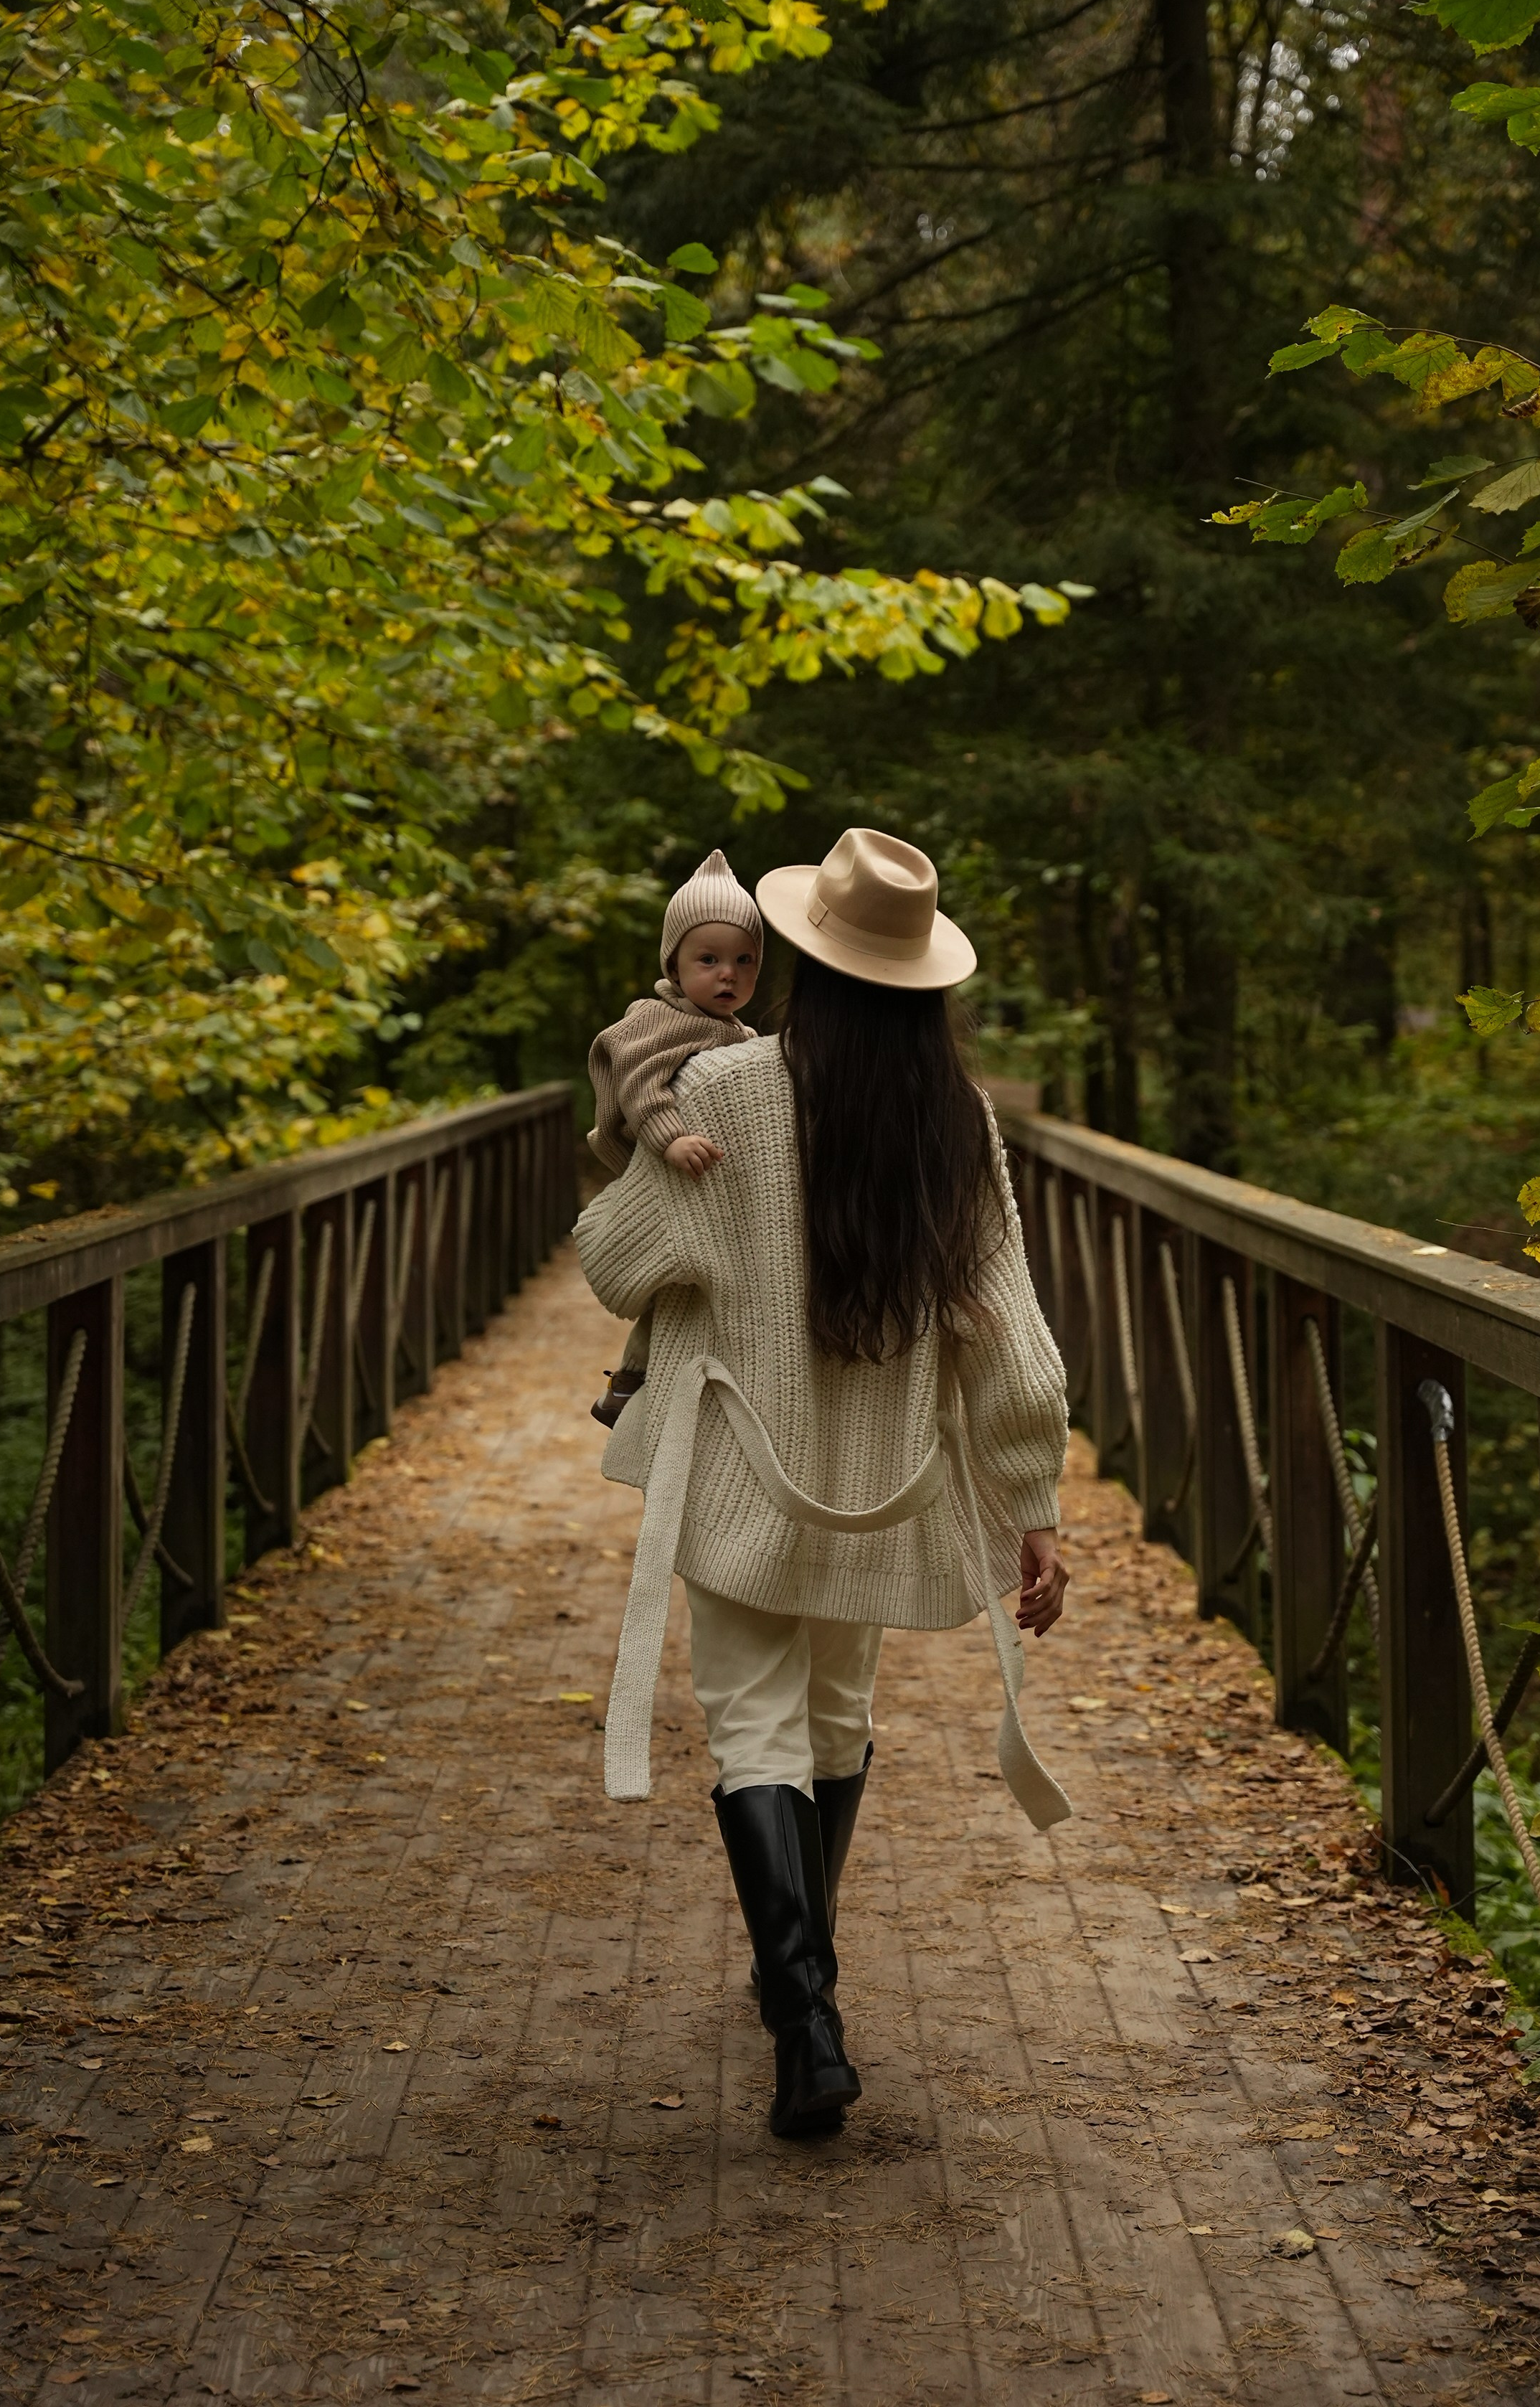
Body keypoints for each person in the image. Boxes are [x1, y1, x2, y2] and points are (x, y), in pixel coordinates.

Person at [574, 827, 1071, 2142]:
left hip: (739, 1464)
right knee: (836, 1718)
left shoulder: (726, 1091)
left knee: (753, 1726)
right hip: (886, 1478)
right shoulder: (955, 1123)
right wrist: (1033, 1505)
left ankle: (807, 2021)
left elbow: (620, 1263)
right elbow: (1005, 1329)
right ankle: (805, 1984)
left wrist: (638, 1160)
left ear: (802, 958)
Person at [583, 848, 763, 1427]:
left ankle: (677, 1383)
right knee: (672, 1286)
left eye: (744, 961)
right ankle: (631, 1382)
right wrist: (671, 1139)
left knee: (695, 1289)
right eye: (708, 959)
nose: (728, 974)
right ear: (674, 964)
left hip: (711, 1181)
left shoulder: (740, 1033)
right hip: (667, 1163)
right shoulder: (657, 1020)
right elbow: (640, 1086)